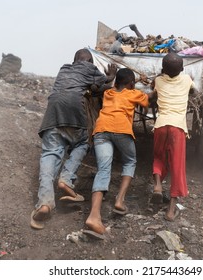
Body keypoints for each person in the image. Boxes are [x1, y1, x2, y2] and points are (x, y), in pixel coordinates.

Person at [30, 48, 117, 230]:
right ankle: (66, 179)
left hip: (53, 116)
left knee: (49, 155)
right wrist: (111, 74)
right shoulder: (91, 70)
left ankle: (45, 203)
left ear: (74, 60)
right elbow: (105, 83)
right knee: (83, 142)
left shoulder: (64, 69)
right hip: (75, 115)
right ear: (90, 62)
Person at [83, 68, 153, 239]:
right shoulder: (133, 93)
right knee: (130, 161)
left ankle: (94, 215)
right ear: (130, 84)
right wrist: (156, 87)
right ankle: (120, 201)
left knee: (103, 169)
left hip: (101, 130)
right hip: (121, 130)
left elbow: (108, 86)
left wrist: (112, 77)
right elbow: (149, 100)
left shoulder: (108, 93)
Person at [150, 52, 194, 222]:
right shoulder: (187, 80)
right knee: (177, 166)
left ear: (163, 69)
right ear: (182, 69)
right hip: (177, 127)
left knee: (158, 156)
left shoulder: (158, 81)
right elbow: (195, 91)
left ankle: (158, 186)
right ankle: (170, 211)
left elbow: (153, 87)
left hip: (161, 124)